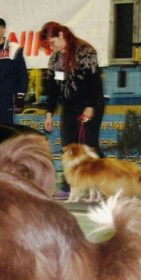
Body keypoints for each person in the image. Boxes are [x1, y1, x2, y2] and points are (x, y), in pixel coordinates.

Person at [40, 21, 105, 196]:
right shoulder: (54, 58)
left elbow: (94, 82)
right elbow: (53, 89)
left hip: (90, 103)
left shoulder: (85, 51)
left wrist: (90, 107)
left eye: (51, 42)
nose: (50, 47)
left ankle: (106, 182)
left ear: (61, 35)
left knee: (89, 146)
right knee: (68, 147)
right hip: (68, 106)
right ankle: (70, 185)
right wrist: (49, 114)